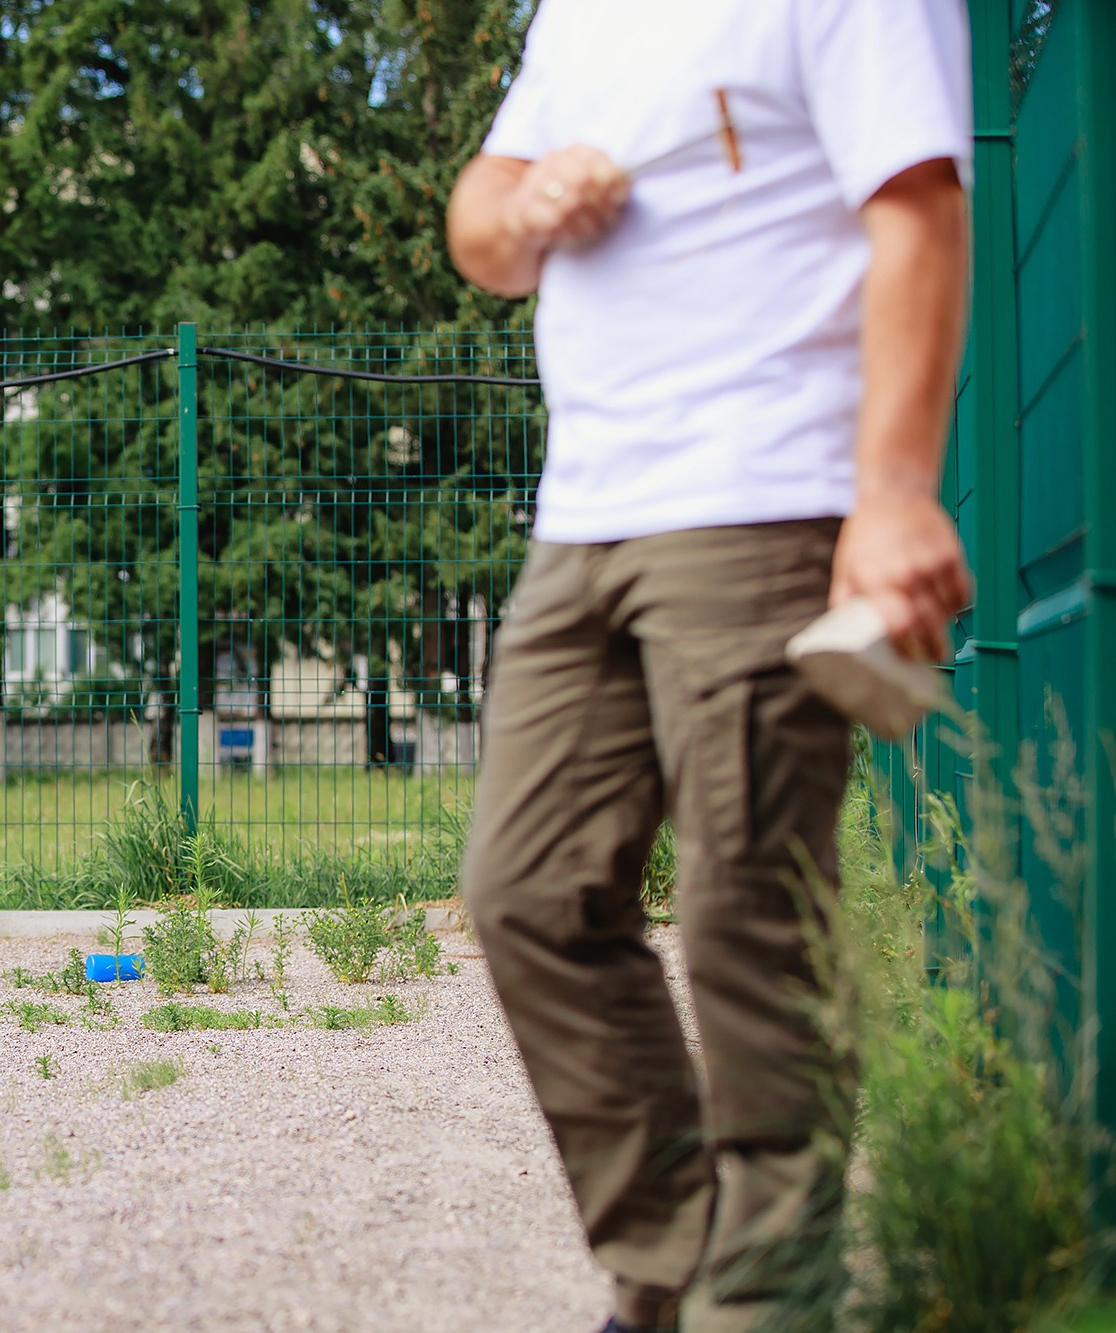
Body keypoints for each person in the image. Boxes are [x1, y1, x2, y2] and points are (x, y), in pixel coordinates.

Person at [445, 3, 973, 1330]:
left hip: (765, 492)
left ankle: (770, 1297)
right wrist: (529, 209)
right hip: (586, 516)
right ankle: (681, 1260)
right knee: (526, 892)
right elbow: (480, 224)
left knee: (749, 904)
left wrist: (895, 492)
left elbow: (918, 211)